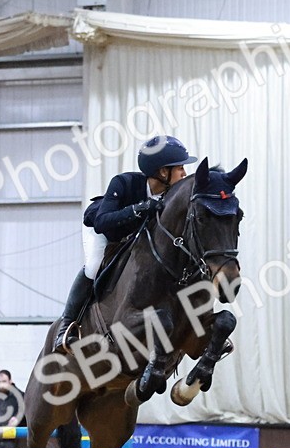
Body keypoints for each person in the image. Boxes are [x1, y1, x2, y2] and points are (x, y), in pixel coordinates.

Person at [53, 135, 199, 354]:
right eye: (180, 168)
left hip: (133, 235)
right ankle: (66, 326)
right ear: (163, 172)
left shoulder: (172, 196)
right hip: (102, 231)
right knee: (93, 267)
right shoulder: (124, 183)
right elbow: (103, 222)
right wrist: (138, 209)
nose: (185, 174)